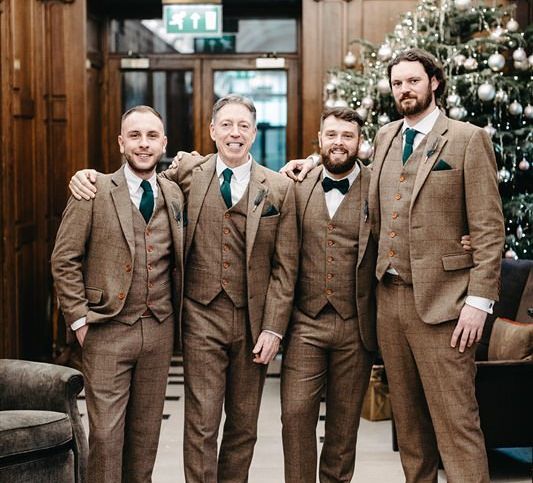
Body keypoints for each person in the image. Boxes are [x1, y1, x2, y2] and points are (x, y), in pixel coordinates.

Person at [282, 48, 504, 483]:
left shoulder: (466, 138)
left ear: (433, 82)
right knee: (410, 430)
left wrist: (479, 301)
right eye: (397, 82)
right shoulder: (383, 137)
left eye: (413, 81)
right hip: (389, 306)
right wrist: (312, 161)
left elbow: (489, 228)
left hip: (445, 309)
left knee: (457, 425)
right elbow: (349, 173)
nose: (404, 89)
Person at [68, 94, 299, 483]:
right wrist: (84, 175)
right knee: (201, 424)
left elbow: (285, 267)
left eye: (243, 125)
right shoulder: (186, 176)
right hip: (200, 317)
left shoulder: (278, 187)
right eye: (226, 124)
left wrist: (274, 328)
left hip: (254, 324)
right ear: (211, 131)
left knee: (244, 426)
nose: (234, 133)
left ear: (255, 133)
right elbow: (132, 181)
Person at [52, 105, 185, 483]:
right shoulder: (92, 190)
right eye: (135, 136)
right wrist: (79, 320)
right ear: (121, 142)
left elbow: (220, 163)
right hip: (106, 330)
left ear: (163, 143)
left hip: (158, 331)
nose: (144, 144)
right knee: (108, 437)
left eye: (151, 136)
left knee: (145, 438)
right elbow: (64, 259)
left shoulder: (175, 195)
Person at [281, 106, 376, 482]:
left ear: (360, 143)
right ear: (319, 140)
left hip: (356, 325)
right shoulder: (295, 183)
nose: (339, 143)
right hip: (306, 322)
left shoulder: (378, 186)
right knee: (294, 416)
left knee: (343, 427)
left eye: (347, 136)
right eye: (332, 135)